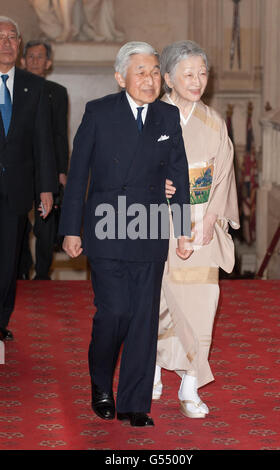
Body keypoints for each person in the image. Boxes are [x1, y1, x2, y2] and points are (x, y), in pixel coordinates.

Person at [59, 41, 192, 427]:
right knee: (115, 311)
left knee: (144, 318)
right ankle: (101, 384)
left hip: (149, 227)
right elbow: (79, 172)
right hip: (107, 224)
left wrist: (181, 229)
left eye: (154, 72)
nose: (150, 80)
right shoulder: (99, 112)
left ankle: (135, 403)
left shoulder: (167, 116)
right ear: (120, 77)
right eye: (141, 72)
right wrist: (71, 229)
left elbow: (179, 173)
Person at [153, 40, 240, 418]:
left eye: (202, 73)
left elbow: (223, 179)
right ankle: (152, 367)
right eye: (188, 74)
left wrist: (207, 223)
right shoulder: (150, 118)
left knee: (202, 306)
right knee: (158, 306)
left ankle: (190, 384)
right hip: (157, 226)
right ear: (168, 77)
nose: (197, 81)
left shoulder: (214, 123)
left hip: (202, 226)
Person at [0, 17, 57, 341]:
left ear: (19, 45)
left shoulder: (32, 86)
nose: (7, 43)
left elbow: (43, 141)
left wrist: (46, 188)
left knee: (8, 262)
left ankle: (1, 320)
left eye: (12, 37)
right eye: (1, 37)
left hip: (17, 189)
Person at [18, 40, 69, 280]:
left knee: (45, 224)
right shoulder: (11, 88)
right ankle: (20, 269)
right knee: (17, 221)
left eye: (40, 56)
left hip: (46, 167)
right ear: (22, 60)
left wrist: (61, 169)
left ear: (48, 63)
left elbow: (60, 133)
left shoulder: (57, 92)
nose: (35, 60)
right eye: (31, 56)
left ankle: (42, 274)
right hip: (19, 165)